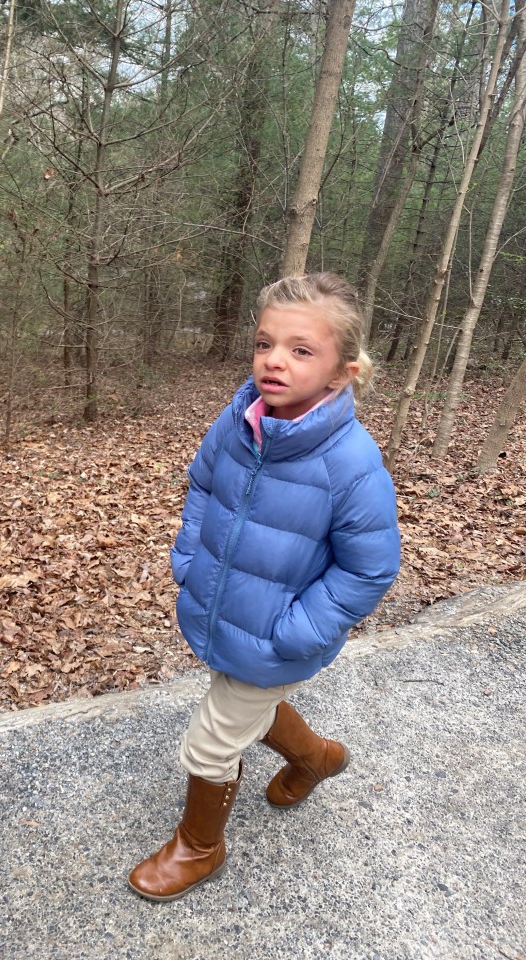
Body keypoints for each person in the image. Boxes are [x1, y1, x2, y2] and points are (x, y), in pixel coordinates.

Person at [128, 272, 401, 903]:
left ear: (341, 374)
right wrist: (189, 556)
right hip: (225, 612)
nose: (275, 360)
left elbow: (369, 568)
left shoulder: (350, 464)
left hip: (280, 635)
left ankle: (199, 846)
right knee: (246, 698)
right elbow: (204, 484)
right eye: (264, 343)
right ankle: (316, 758)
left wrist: (294, 633)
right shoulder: (239, 421)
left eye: (301, 350)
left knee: (210, 741)